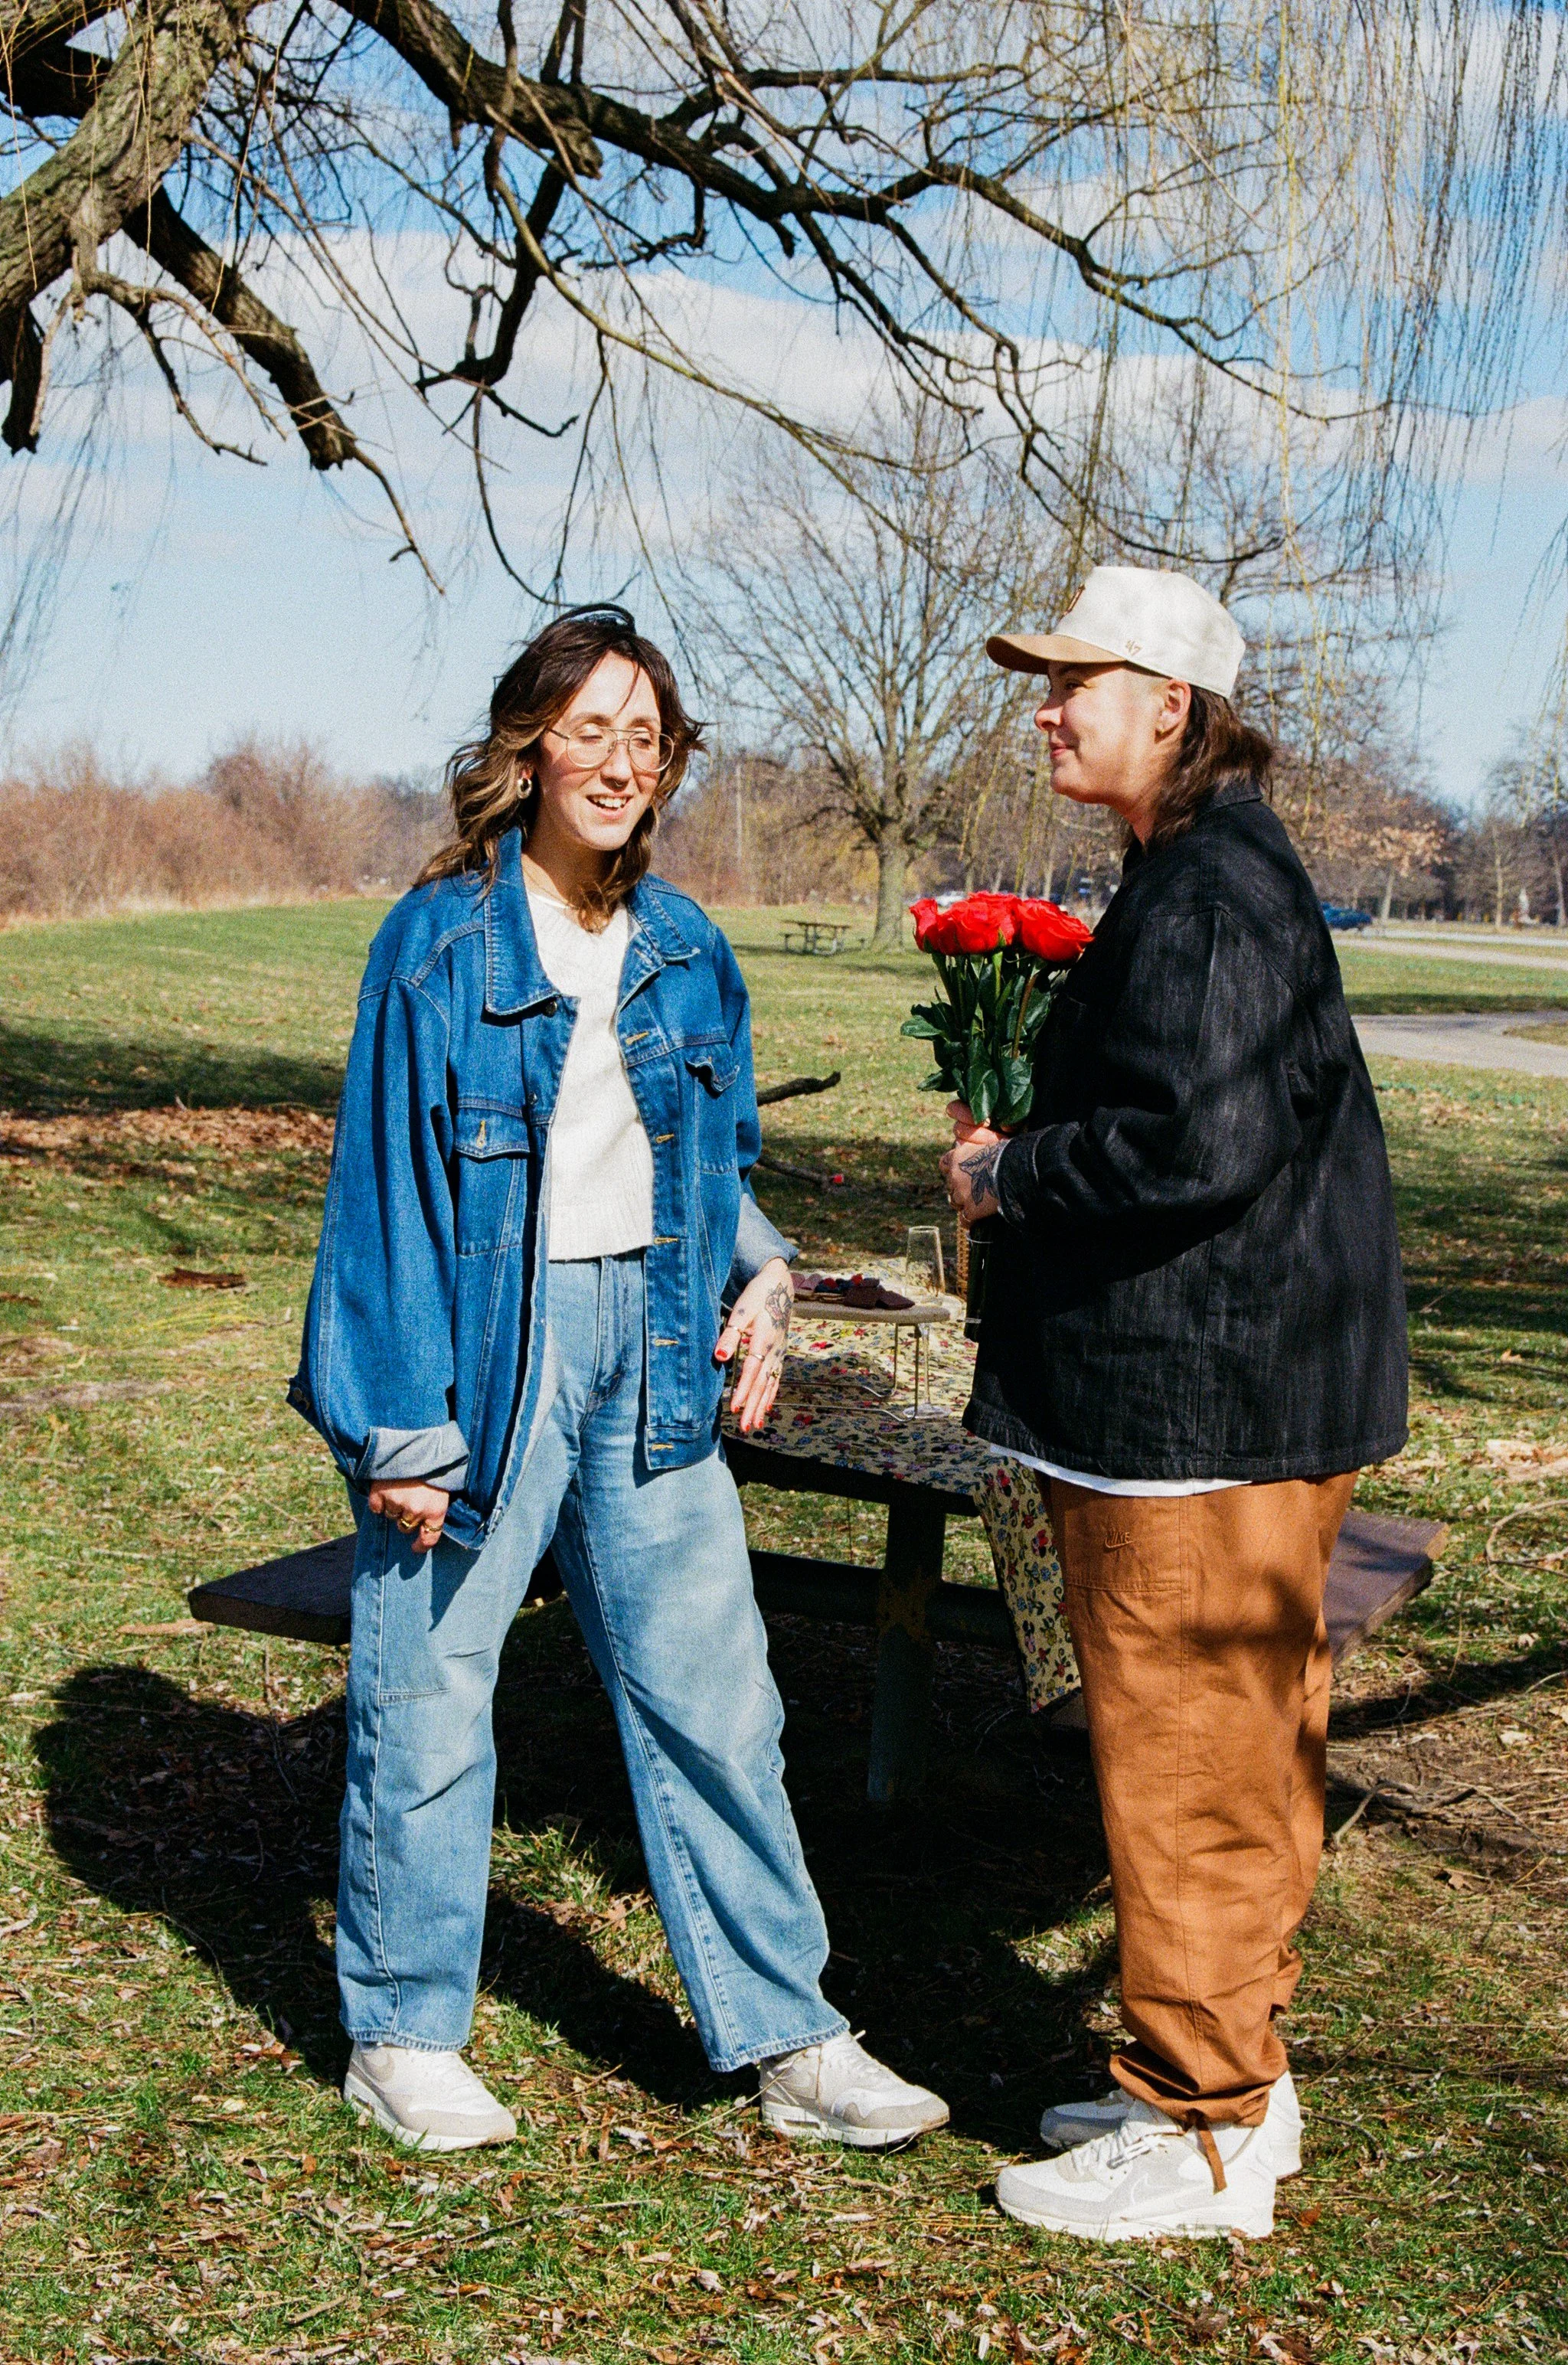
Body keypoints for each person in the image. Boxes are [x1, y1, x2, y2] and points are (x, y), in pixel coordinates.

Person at [291, 603, 948, 2154]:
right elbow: (383, 1190)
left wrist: (764, 1264)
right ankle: (401, 2026)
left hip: (650, 1354)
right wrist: (395, 1421)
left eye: (644, 738)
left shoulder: (687, 947)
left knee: (719, 1698)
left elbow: (708, 1157)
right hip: (478, 1355)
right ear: (527, 750)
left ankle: (792, 2028)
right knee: (430, 1691)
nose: (618, 761)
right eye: (588, 729)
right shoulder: (439, 938)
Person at [939, 567, 1407, 2242]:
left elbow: (1191, 1147)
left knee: (1188, 1758)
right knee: (1250, 1743)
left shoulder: (1205, 890)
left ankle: (1196, 2126)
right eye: (1045, 679)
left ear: (1175, 707)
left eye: (1077, 677)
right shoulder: (1204, 871)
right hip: (1241, 1398)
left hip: (1193, 1412)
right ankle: (1236, 2080)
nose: (1048, 704)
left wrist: (1009, 1170)